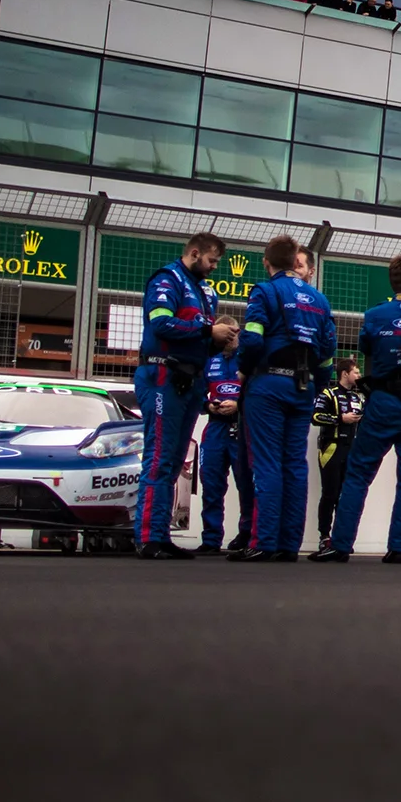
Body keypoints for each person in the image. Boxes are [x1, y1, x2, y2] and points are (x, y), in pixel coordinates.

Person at [319, 254, 401, 563]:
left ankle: (340, 544)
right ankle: (398, 548)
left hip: (382, 401)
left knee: (359, 473)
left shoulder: (375, 315)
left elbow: (367, 349)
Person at [235, 235, 338, 561]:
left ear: (267, 262)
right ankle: (288, 545)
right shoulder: (319, 300)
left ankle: (264, 542)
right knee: (295, 464)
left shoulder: (265, 291)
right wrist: (315, 384)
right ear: (297, 261)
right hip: (302, 388)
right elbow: (327, 353)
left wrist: (243, 371)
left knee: (266, 463)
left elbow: (251, 339)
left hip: (267, 385)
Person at [135, 231, 231, 559]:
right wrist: (207, 331)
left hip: (190, 382)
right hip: (162, 375)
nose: (215, 267)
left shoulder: (205, 290)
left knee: (175, 461)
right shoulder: (168, 279)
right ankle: (149, 537)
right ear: (194, 252)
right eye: (212, 260)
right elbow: (161, 325)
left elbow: (200, 337)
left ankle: (161, 536)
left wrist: (220, 340)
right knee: (160, 458)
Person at [195, 331, 252, 555]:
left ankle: (246, 534)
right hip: (215, 428)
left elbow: (257, 392)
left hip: (241, 426)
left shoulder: (247, 360)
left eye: (232, 338)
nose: (228, 343)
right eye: (224, 339)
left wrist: (239, 405)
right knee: (210, 483)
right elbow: (197, 393)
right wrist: (208, 406)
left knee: (246, 485)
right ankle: (210, 539)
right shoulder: (209, 361)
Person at [311, 358, 365, 547]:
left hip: (352, 450)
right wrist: (340, 418)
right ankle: (324, 536)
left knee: (346, 495)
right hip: (331, 448)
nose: (358, 376)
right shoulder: (328, 393)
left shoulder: (358, 398)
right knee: (330, 494)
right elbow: (316, 416)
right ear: (345, 374)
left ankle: (341, 537)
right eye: (356, 372)